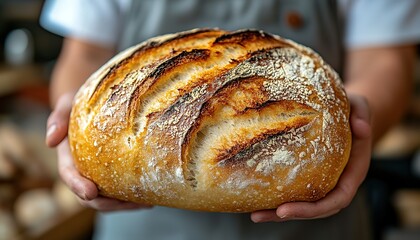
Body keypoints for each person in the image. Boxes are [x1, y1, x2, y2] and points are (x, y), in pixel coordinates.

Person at [41, 0, 420, 239]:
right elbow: (85, 53)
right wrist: (74, 111)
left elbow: (384, 57)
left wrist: (359, 117)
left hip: (313, 222)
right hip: (142, 224)